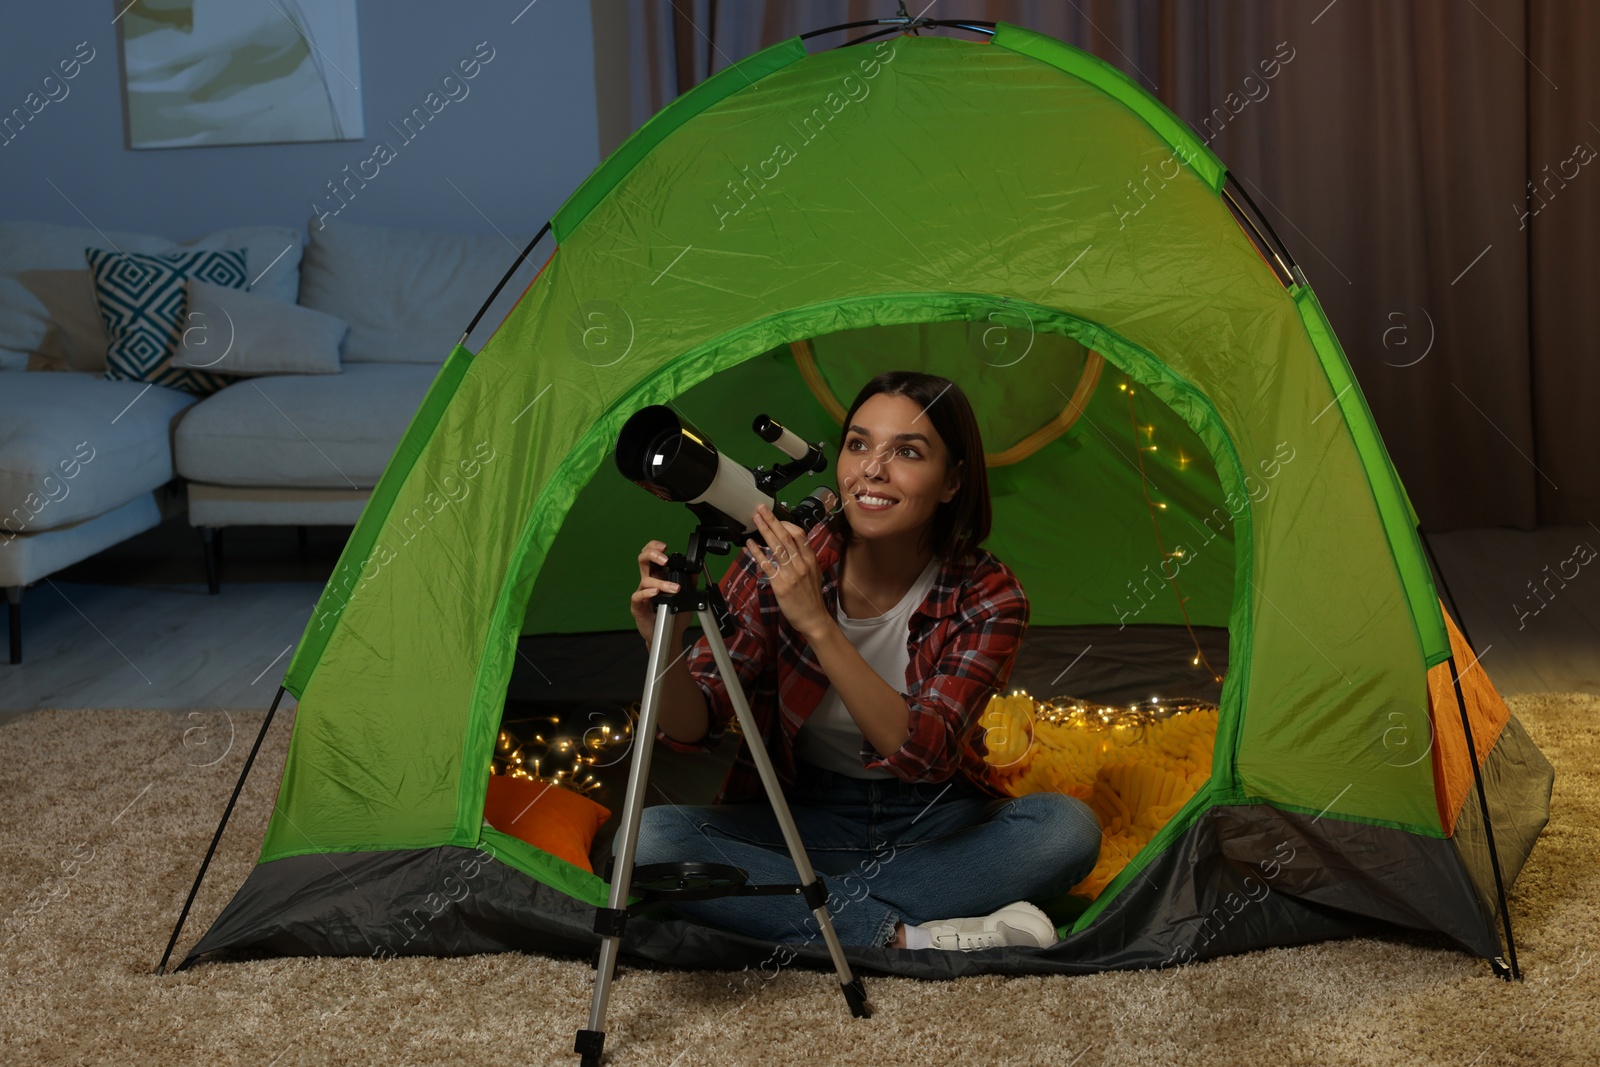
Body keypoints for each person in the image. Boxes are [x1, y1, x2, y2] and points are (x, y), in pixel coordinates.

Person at [622, 370, 1101, 952]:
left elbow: (921, 755)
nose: (873, 469)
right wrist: (663, 642)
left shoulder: (990, 595)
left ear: (951, 482)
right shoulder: (781, 553)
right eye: (858, 445)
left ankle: (805, 911)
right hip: (806, 815)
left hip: (932, 819)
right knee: (647, 841)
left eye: (907, 452)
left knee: (1065, 831)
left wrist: (818, 624)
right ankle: (906, 935)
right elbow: (696, 725)